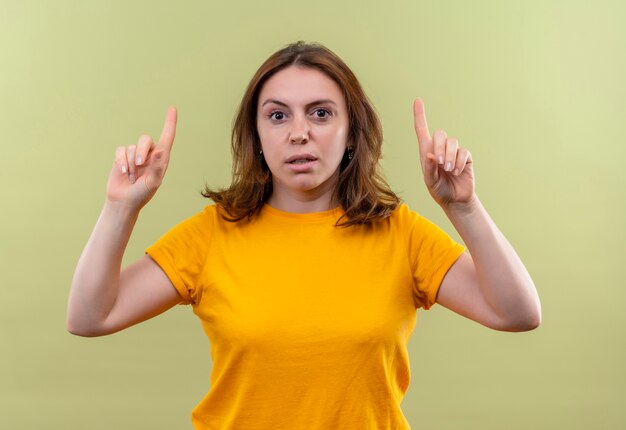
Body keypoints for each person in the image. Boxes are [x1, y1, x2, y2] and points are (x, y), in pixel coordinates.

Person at [67, 41, 541, 429]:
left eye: (320, 114)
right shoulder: (212, 234)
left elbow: (517, 313)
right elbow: (90, 317)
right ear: (256, 135)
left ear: (351, 131)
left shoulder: (400, 233)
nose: (299, 133)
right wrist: (119, 207)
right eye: (278, 116)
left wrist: (463, 207)